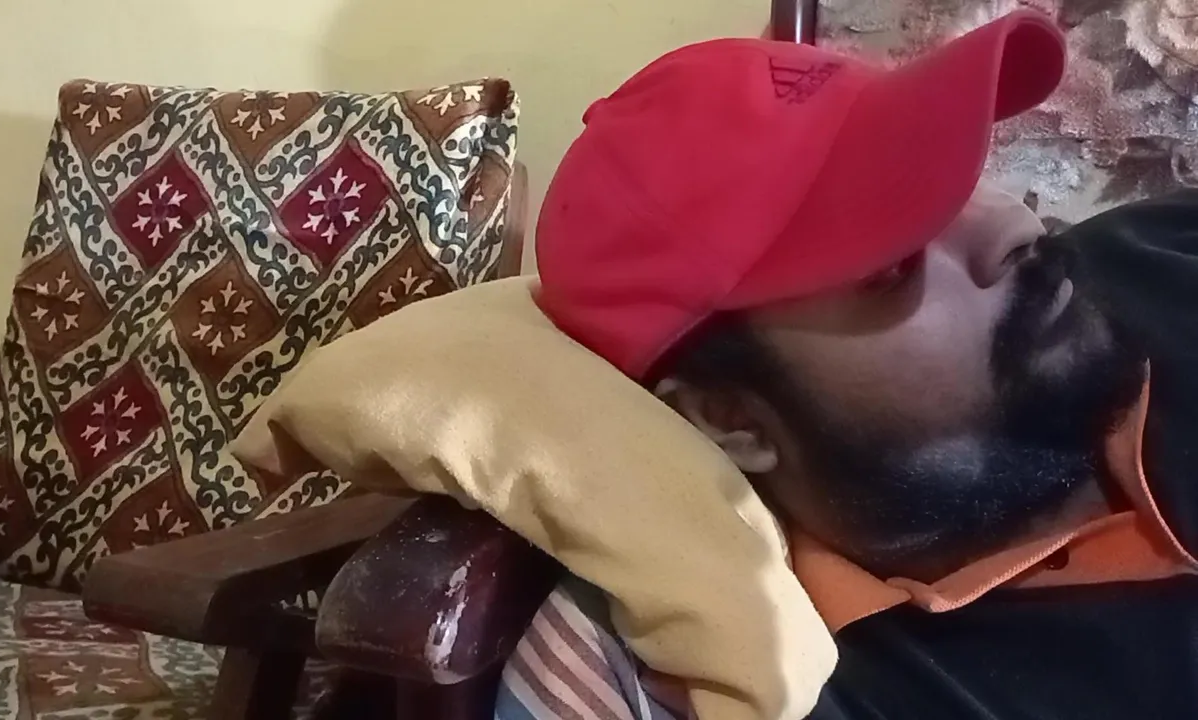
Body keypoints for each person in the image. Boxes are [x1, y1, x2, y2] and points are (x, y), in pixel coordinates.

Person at [496, 9, 1198, 720]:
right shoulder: (797, 685)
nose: (1016, 225)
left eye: (954, 171)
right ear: (732, 418)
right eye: (893, 264)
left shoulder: (1166, 249)